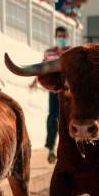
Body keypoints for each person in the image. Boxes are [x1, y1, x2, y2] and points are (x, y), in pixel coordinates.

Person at [30, 26, 69, 164]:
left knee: (66, 118)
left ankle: (66, 149)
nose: (61, 39)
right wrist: (35, 81)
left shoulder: (71, 52)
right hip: (54, 91)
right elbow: (42, 67)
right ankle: (51, 147)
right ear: (55, 37)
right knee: (53, 117)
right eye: (59, 36)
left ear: (67, 37)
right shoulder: (49, 53)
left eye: (63, 36)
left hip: (68, 93)